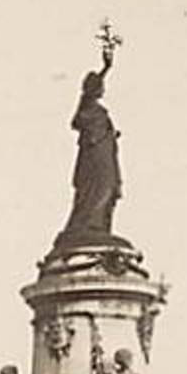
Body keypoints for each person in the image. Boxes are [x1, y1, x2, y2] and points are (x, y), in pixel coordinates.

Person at [64, 45, 122, 238]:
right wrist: (105, 68)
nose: (102, 89)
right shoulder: (88, 105)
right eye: (99, 87)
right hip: (94, 160)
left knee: (108, 189)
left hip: (105, 157)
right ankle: (86, 227)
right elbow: (88, 93)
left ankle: (98, 228)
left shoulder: (97, 109)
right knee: (95, 191)